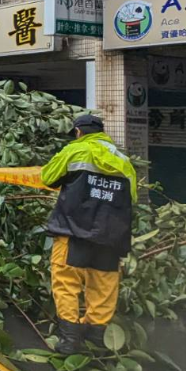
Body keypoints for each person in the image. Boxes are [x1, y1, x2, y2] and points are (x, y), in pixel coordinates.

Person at [40, 114, 137, 354]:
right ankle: (98, 340)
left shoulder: (74, 151)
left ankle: (70, 340)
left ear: (78, 132)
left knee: (66, 283)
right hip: (110, 236)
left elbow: (47, 177)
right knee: (103, 286)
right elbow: (131, 198)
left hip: (74, 232)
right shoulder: (123, 160)